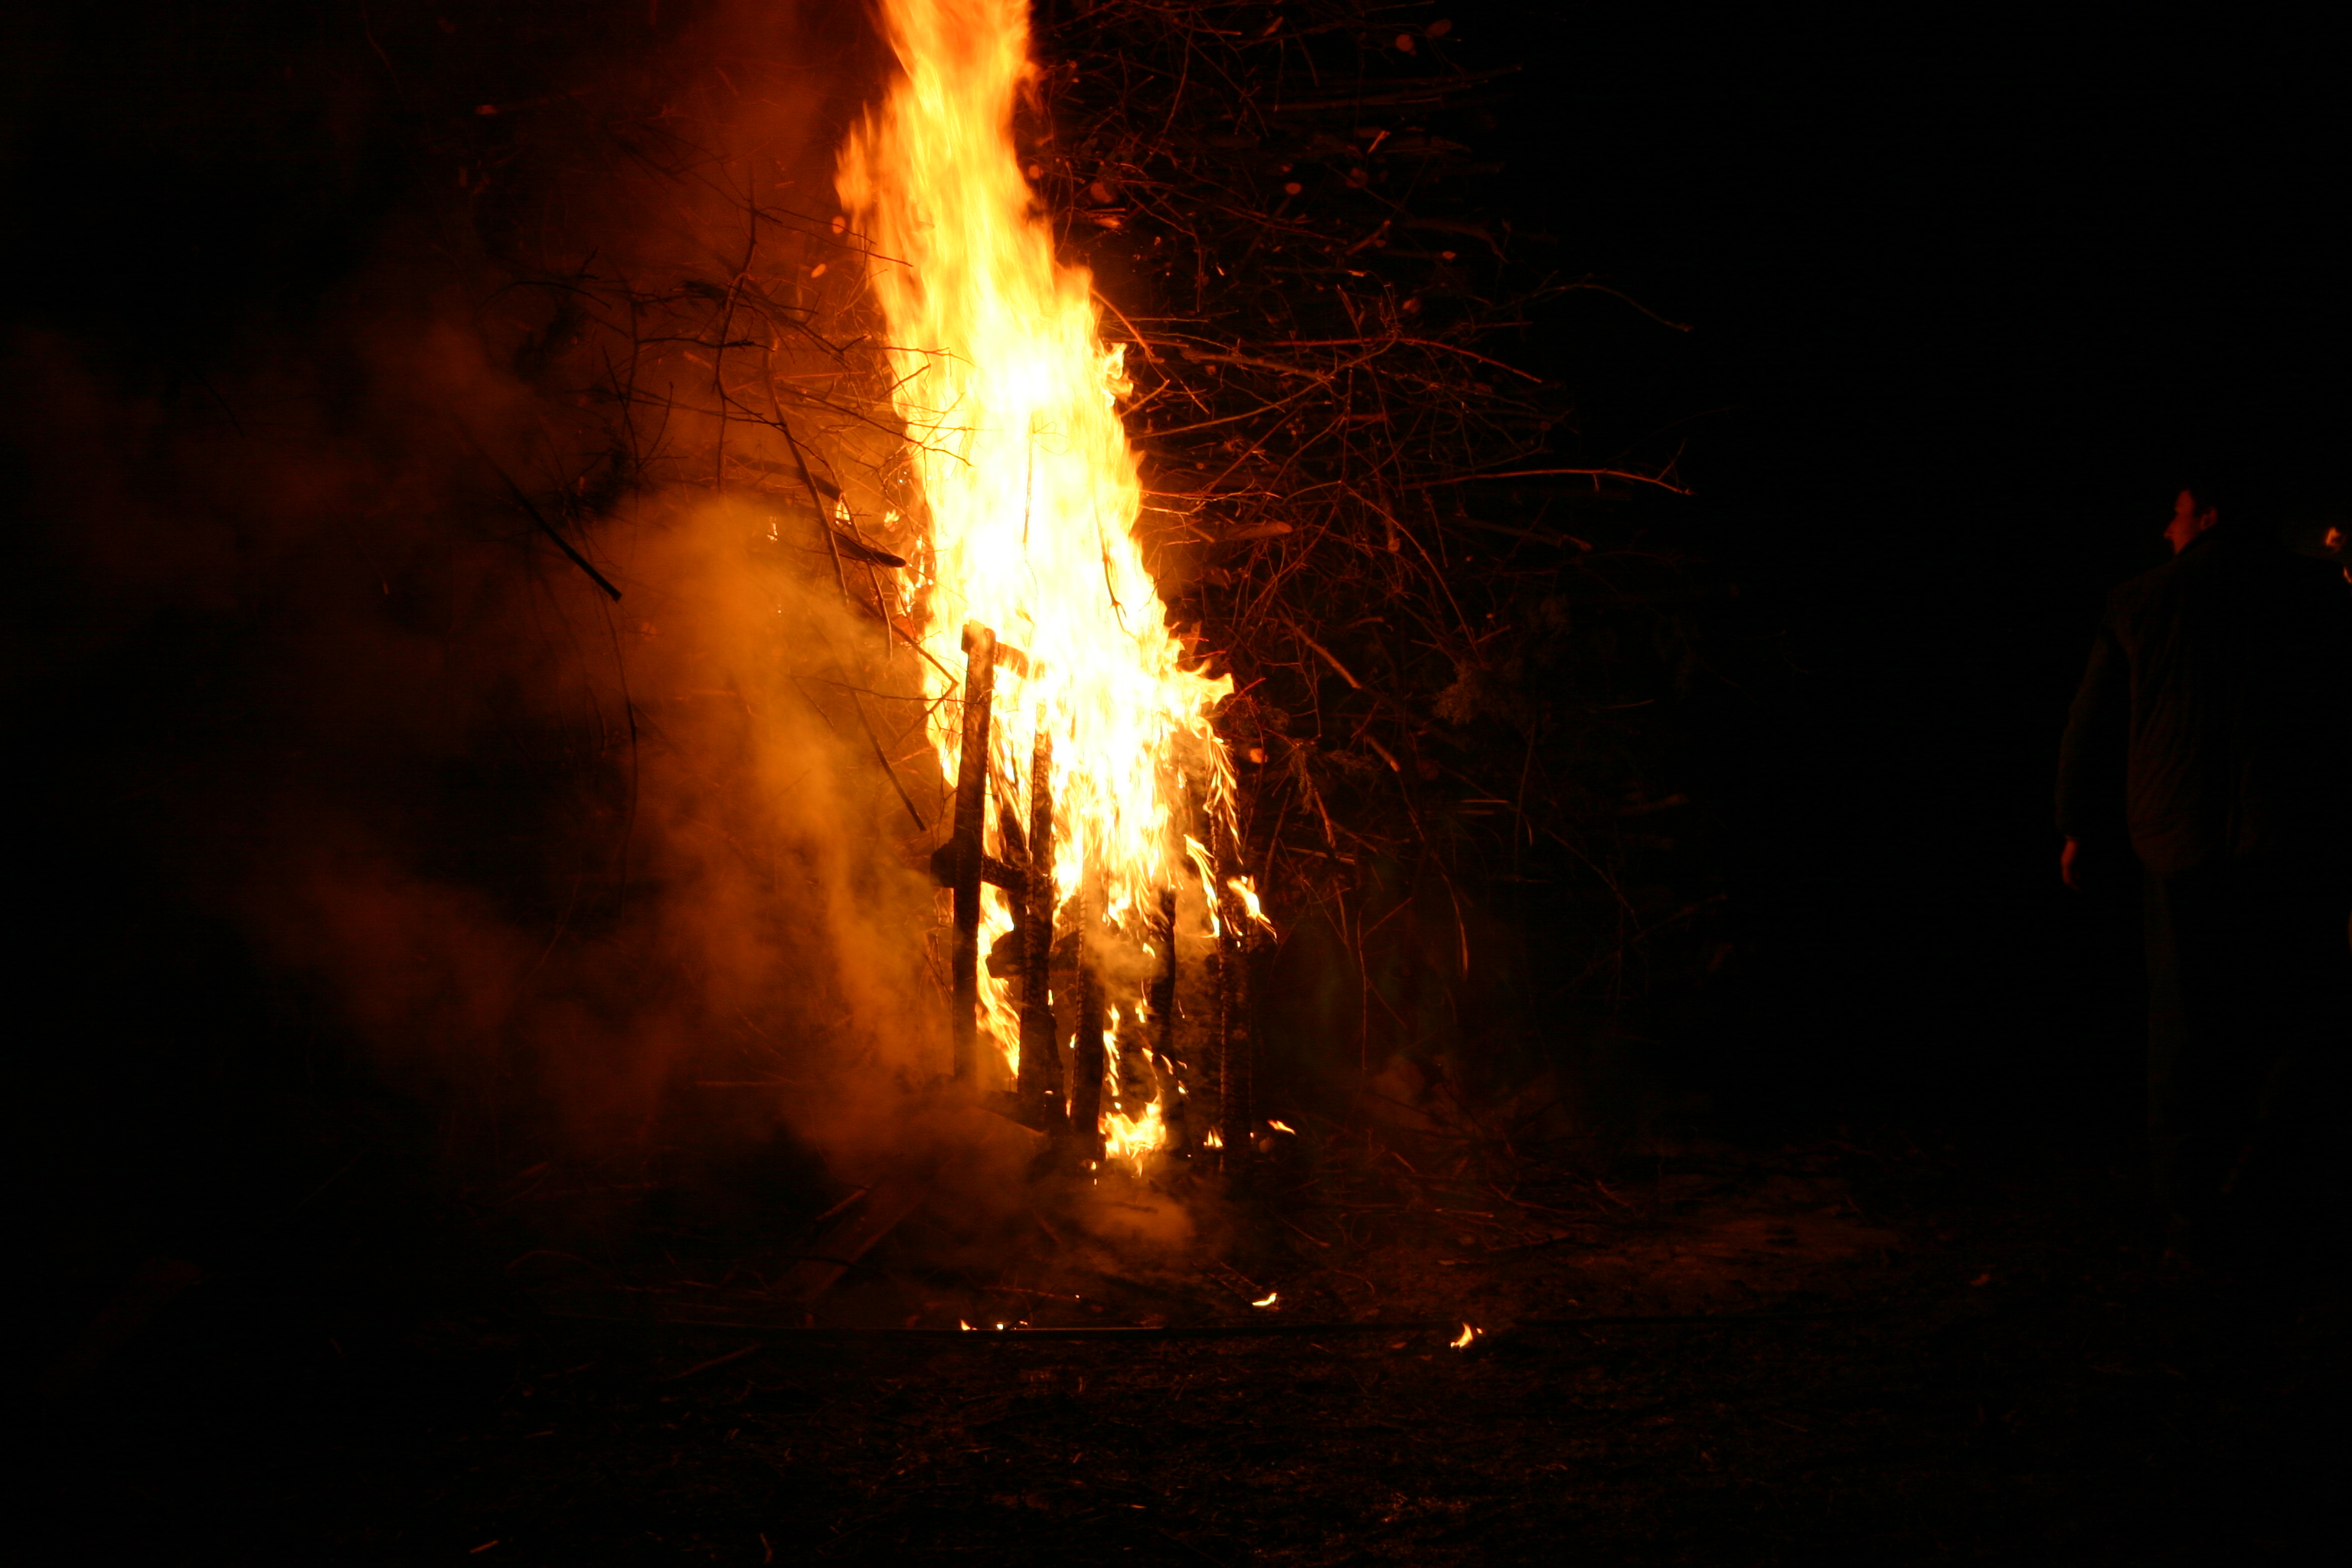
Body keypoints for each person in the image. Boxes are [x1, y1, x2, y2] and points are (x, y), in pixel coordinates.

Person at [2057, 482, 2352, 1264]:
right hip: (2293, 834)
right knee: (2312, 1010)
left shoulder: (2137, 600)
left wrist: (2080, 822)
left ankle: (2192, 1216)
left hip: (2176, 838)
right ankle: (2266, 1171)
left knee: (2184, 1027)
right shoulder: (2318, 594)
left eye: (2178, 510)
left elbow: (2094, 720)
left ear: (2211, 515)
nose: (2165, 525)